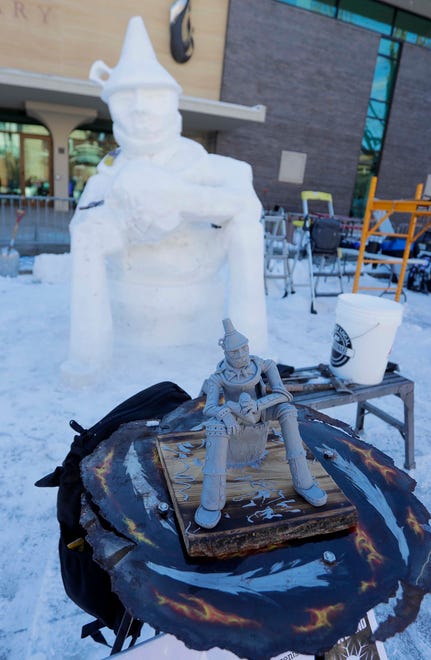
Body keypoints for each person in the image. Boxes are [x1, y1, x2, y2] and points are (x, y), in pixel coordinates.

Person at [62, 16, 267, 383]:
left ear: (172, 102)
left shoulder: (208, 166)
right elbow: (83, 223)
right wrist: (118, 222)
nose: (140, 109)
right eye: (126, 98)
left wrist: (177, 198)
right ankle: (88, 357)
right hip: (131, 309)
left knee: (246, 230)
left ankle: (253, 356)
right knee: (88, 236)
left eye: (153, 96)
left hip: (196, 305)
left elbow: (246, 205)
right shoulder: (108, 174)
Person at [195, 319, 327, 529]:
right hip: (236, 414)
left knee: (288, 411)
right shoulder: (218, 377)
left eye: (243, 348)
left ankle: (304, 482)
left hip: (262, 409)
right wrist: (226, 413)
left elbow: (283, 394)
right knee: (216, 427)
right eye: (235, 352)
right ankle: (212, 501)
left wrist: (259, 405)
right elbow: (209, 407)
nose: (241, 355)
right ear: (226, 354)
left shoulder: (264, 365)